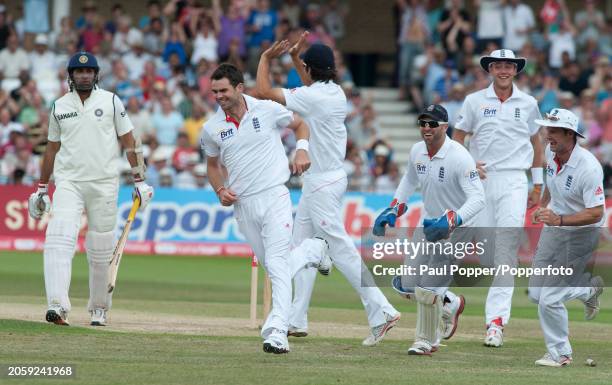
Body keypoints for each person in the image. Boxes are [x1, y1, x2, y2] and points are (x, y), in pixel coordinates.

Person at [255, 33, 401, 346]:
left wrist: (267, 58)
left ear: (309, 69)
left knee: (341, 248)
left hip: (323, 182)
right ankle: (295, 318)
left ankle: (382, 310)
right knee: (300, 245)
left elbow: (264, 91)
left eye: (303, 66)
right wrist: (297, 58)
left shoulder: (315, 97)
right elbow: (309, 83)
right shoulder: (333, 92)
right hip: (324, 180)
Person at [200, 63, 332, 354]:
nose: (219, 96)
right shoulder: (211, 128)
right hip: (244, 205)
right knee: (277, 267)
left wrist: (301, 150)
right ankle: (313, 251)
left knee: (276, 264)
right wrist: (220, 189)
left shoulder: (266, 109)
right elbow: (212, 166)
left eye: (223, 90)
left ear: (239, 88)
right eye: (214, 92)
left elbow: (301, 124)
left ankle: (276, 331)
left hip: (275, 195)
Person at [27, 52, 154, 327]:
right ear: (70, 76)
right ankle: (57, 306)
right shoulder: (59, 105)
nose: (84, 75)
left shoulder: (110, 100)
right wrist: (40, 188)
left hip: (104, 182)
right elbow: (51, 149)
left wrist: (140, 180)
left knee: (100, 248)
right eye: (78, 72)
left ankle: (99, 308)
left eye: (89, 71)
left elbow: (129, 141)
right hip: (69, 182)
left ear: (96, 74)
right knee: (58, 238)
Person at [373, 104, 485, 355]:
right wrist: (394, 208)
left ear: (444, 127)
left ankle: (426, 341)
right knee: (407, 284)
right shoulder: (416, 151)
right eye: (423, 123)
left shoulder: (459, 156)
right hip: (429, 223)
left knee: (428, 288)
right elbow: (409, 181)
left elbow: (478, 199)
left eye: (432, 124)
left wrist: (451, 221)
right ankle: (451, 303)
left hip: (459, 227)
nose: (426, 128)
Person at [453, 48, 544, 347]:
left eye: (509, 66)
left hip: (514, 180)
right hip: (480, 180)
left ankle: (495, 323)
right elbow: (458, 138)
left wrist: (537, 184)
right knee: (487, 254)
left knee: (506, 251)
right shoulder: (474, 101)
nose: (504, 70)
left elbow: (537, 144)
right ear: (490, 69)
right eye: (498, 65)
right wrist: (466, 165)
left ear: (516, 70)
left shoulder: (528, 103)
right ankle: (456, 306)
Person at [528, 108, 605, 367]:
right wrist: (544, 205)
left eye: (553, 130)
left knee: (550, 297)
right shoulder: (552, 155)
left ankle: (561, 353)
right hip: (556, 228)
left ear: (570, 134)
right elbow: (552, 183)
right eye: (547, 129)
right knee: (537, 293)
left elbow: (596, 212)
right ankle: (587, 289)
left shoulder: (589, 167)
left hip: (582, 233)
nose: (547, 134)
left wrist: (559, 219)